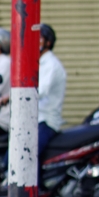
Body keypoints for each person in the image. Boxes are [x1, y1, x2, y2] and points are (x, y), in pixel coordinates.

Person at [36, 24, 66, 156]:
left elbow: (41, 90)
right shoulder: (40, 63)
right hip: (37, 119)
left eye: (39, 38)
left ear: (48, 42)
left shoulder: (51, 64)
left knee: (29, 157)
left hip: (46, 122)